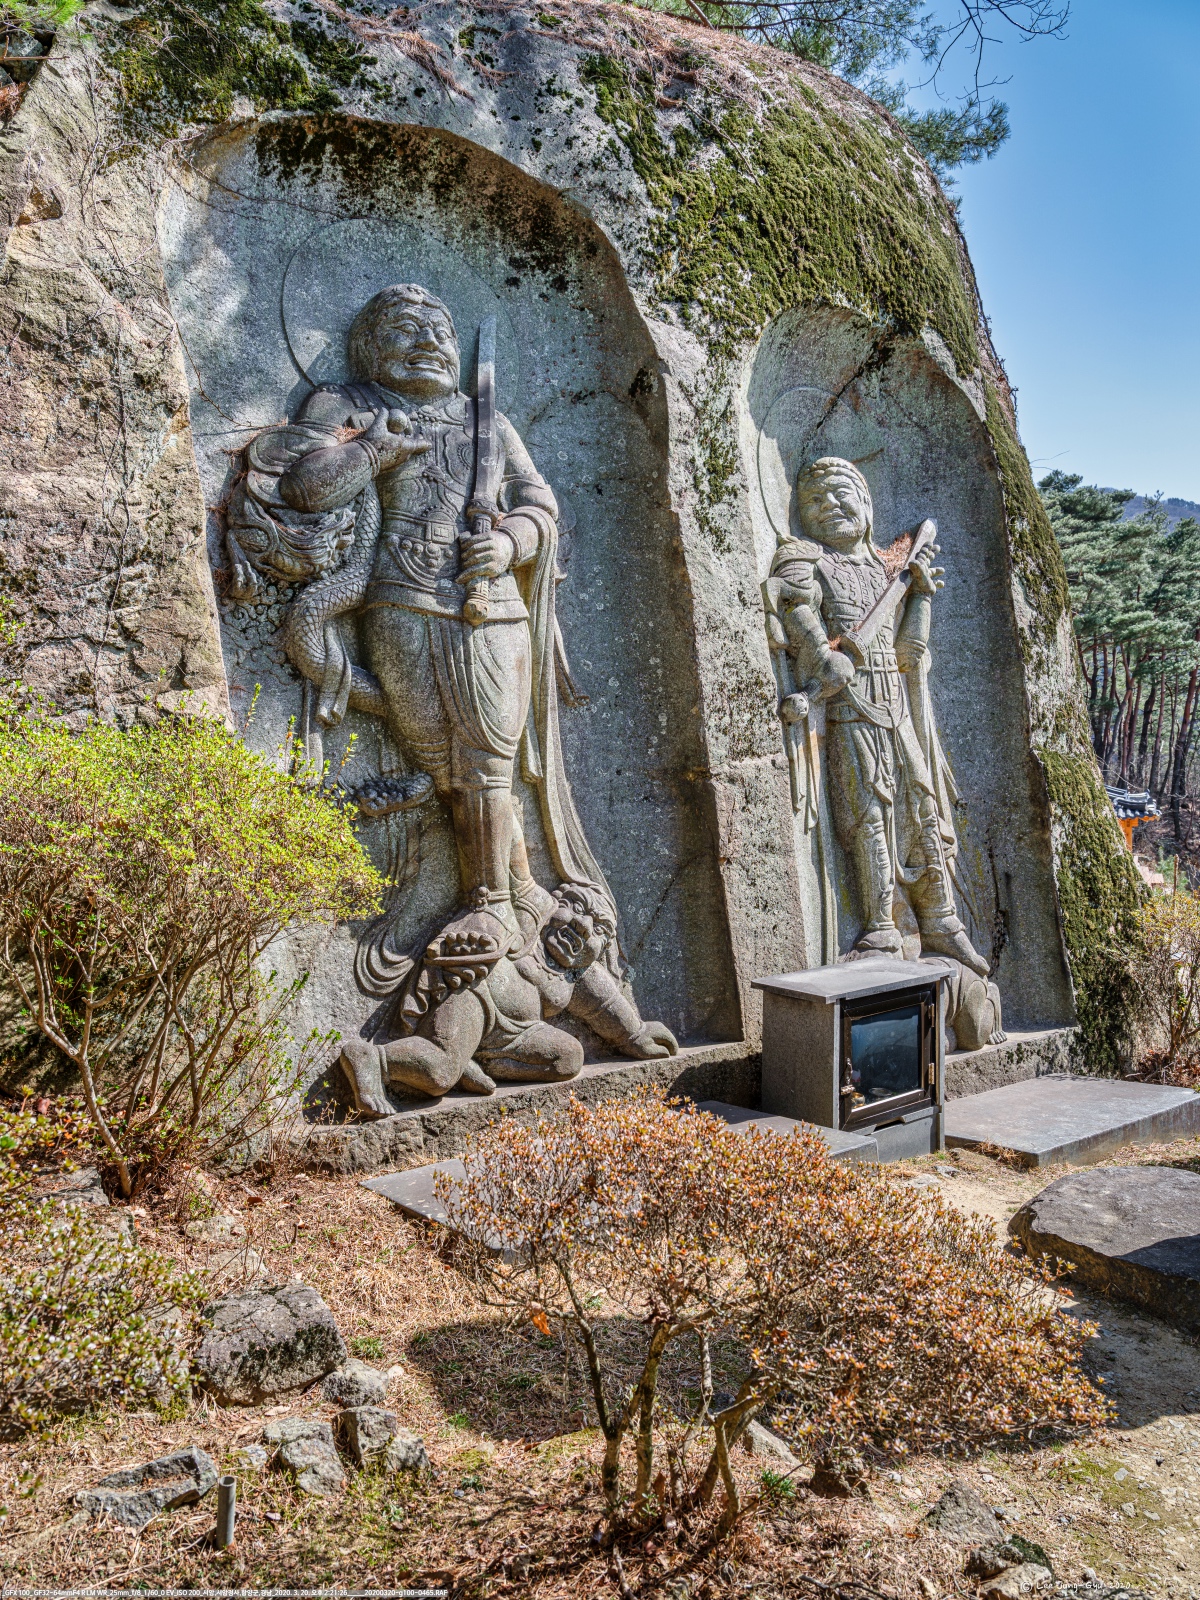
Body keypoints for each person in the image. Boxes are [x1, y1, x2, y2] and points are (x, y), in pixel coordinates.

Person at [767, 456, 989, 975]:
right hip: (850, 712)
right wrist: (822, 656)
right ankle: (880, 927)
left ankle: (941, 921)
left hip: (897, 708)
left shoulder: (888, 571)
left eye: (840, 494)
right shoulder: (806, 562)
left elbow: (909, 652)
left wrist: (921, 596)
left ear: (866, 504)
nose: (829, 506)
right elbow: (798, 614)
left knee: (922, 811)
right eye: (814, 501)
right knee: (867, 816)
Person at [340, 883, 679, 1111]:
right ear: (553, 904)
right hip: (477, 1001)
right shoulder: (528, 924)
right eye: (576, 908)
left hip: (518, 1035)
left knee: (568, 1058)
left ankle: (474, 1060)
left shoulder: (577, 974)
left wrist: (635, 1035)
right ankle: (373, 1059)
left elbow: (605, 1006)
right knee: (438, 1075)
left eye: (599, 929)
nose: (583, 926)